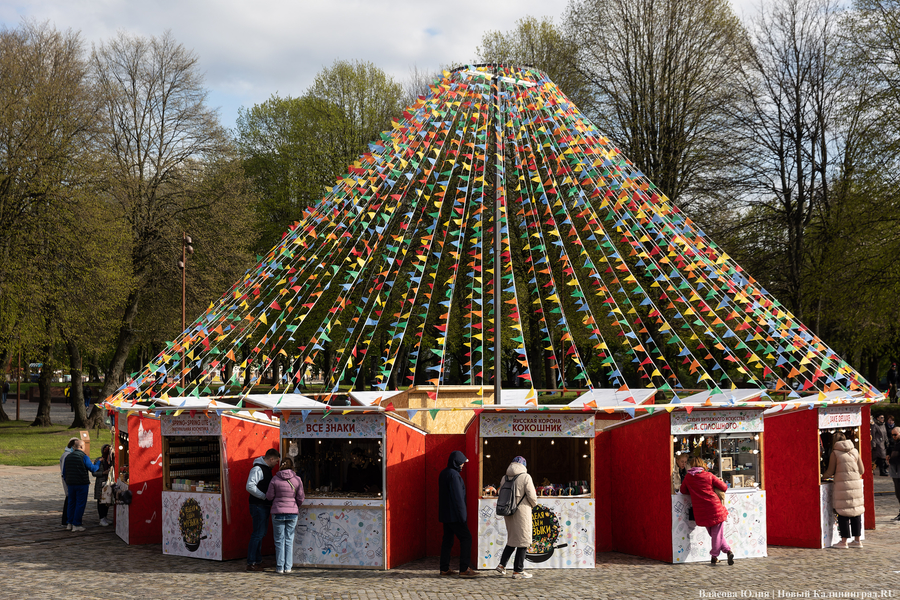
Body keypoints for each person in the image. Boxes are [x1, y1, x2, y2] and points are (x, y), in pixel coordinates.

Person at [680, 456, 734, 565]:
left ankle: (728, 551)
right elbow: (724, 487)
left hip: (701, 511)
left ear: (691, 465)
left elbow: (682, 490)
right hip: (715, 507)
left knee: (715, 534)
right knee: (716, 534)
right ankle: (714, 556)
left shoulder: (688, 478)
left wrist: (694, 491)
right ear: (702, 465)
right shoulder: (709, 475)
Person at [494, 456, 537, 580]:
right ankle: (518, 571)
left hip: (508, 512)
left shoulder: (504, 477)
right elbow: (532, 496)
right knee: (524, 540)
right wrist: (533, 505)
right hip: (522, 512)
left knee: (513, 539)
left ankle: (502, 565)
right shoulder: (526, 477)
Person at [823, 431, 865, 548]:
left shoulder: (835, 453)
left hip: (843, 486)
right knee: (856, 512)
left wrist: (822, 476)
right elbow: (862, 470)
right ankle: (857, 541)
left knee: (843, 513)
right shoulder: (855, 451)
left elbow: (830, 471)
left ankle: (844, 541)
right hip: (855, 485)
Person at [438, 450, 476, 578]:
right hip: (455, 515)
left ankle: (444, 568)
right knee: (466, 538)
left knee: (447, 540)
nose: (463, 465)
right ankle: (464, 569)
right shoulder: (454, 476)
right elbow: (458, 498)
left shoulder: (444, 473)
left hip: (446, 514)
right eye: (462, 463)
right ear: (457, 462)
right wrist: (463, 517)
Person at [265, 457, 305, 574]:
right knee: (289, 539)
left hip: (277, 512)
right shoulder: (297, 480)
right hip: (292, 512)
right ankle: (288, 567)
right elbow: (301, 497)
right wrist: (295, 505)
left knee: (279, 540)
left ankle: (279, 567)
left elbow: (269, 496)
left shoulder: (274, 479)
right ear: (292, 466)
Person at [245, 448, 280, 571]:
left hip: (261, 505)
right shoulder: (258, 469)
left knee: (261, 533)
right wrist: (264, 496)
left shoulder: (265, 469)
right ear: (271, 459)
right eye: (276, 461)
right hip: (258, 505)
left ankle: (257, 560)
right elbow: (249, 486)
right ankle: (252, 562)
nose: (277, 463)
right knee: (258, 533)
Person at [62, 439, 100, 531]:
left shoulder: (68, 457)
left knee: (71, 503)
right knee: (80, 504)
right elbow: (93, 469)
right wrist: (98, 462)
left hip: (71, 484)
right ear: (82, 447)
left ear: (74, 447)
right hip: (82, 484)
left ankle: (69, 523)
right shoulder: (84, 457)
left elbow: (64, 472)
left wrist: (68, 481)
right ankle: (76, 524)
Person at [92, 444, 113, 526]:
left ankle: (105, 517)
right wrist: (103, 473)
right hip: (100, 483)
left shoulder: (111, 460)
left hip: (108, 482)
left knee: (107, 500)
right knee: (101, 501)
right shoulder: (99, 460)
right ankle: (101, 518)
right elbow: (94, 473)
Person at [59, 438, 78, 528]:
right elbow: (64, 470)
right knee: (69, 499)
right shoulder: (67, 455)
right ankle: (67, 520)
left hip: (69, 480)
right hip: (68, 481)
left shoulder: (69, 454)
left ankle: (68, 520)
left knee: (70, 499)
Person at [889, 427, 900, 521]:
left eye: (895, 434)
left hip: (898, 472)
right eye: (892, 435)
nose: (893, 437)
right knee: (898, 494)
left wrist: (890, 460)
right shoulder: (895, 444)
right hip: (896, 473)